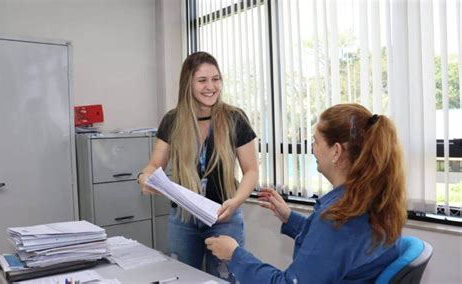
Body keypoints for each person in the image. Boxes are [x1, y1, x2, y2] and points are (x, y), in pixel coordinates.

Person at [205, 103, 407, 283]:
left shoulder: (337, 219)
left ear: (336, 151)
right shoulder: (374, 200)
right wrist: (289, 218)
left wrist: (234, 254)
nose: (312, 149)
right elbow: (331, 247)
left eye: (316, 142)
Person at [137, 51, 259, 282]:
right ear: (188, 84)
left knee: (225, 278)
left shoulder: (235, 118)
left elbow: (251, 171)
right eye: (202, 80)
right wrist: (143, 177)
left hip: (224, 217)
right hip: (183, 220)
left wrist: (236, 202)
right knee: (181, 278)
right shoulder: (173, 120)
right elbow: (154, 165)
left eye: (216, 79)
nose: (210, 86)